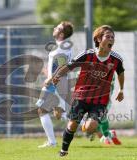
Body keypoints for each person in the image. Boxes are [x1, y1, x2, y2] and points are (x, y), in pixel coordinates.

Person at [49, 25, 125, 156]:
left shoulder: (116, 59)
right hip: (81, 96)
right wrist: (57, 76)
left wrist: (121, 89)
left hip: (101, 100)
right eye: (108, 36)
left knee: (90, 127)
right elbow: (69, 66)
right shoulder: (87, 54)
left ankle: (87, 126)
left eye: (113, 37)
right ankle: (63, 151)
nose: (111, 39)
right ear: (99, 39)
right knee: (72, 125)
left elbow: (121, 73)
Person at [36, 21, 74, 148]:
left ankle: (52, 142)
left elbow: (62, 66)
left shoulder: (60, 48)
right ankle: (83, 121)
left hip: (55, 83)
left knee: (42, 110)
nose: (54, 28)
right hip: (60, 83)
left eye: (57, 28)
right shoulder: (65, 46)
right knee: (58, 114)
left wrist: (50, 79)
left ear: (61, 34)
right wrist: (47, 73)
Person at [82, 75, 121, 145]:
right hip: (92, 99)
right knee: (95, 122)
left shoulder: (108, 71)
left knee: (99, 118)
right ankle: (109, 135)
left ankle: (106, 137)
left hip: (104, 100)